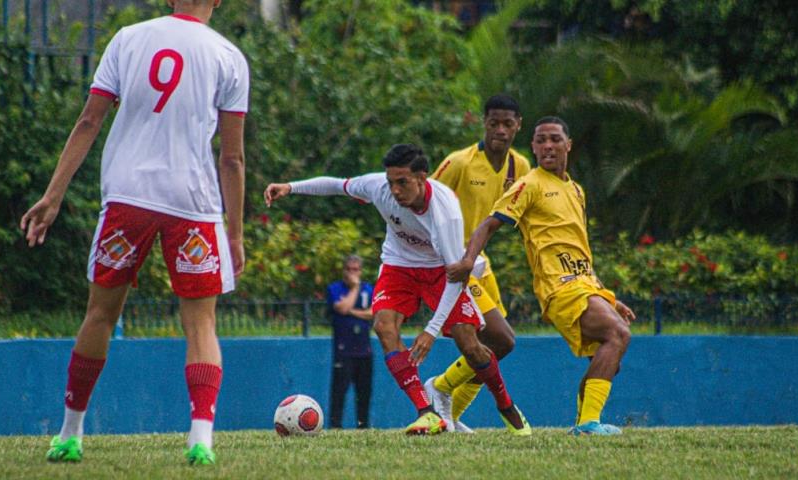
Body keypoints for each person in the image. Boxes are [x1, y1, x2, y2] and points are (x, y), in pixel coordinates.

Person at [20, 0, 248, 465]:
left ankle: (69, 434)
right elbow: (232, 158)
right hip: (192, 202)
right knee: (201, 323)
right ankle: (200, 440)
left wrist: (53, 195)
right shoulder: (228, 56)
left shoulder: (128, 39)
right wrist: (235, 234)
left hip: (128, 197)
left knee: (100, 314)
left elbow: (89, 121)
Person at [264, 144, 531, 436]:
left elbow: (456, 277)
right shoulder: (378, 187)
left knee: (469, 343)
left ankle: (506, 405)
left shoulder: (445, 214)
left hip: (440, 272)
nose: (395, 190)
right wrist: (290, 187)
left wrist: (431, 330)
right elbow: (337, 186)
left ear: (422, 178)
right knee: (384, 326)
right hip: (398, 266)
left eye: (402, 182)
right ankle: (426, 413)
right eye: (391, 181)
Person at [447, 117, 635, 436]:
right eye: (541, 140)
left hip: (585, 285)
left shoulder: (575, 190)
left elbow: (580, 249)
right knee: (617, 334)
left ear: (568, 145)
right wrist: (467, 261)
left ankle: (585, 422)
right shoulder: (529, 184)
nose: (548, 146)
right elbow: (488, 224)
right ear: (533, 147)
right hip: (559, 287)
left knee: (608, 356)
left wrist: (608, 298)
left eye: (555, 139)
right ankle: (588, 424)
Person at [423, 94, 531, 433]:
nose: (500, 130)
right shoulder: (460, 162)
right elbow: (423, 202)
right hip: (455, 266)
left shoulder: (520, 167)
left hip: (482, 265)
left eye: (507, 123)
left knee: (496, 346)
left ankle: (450, 415)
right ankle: (440, 387)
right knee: (502, 339)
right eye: (494, 122)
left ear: (518, 126)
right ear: (484, 122)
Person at [327, 255, 375, 429]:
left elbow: (373, 312)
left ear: (360, 271)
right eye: (348, 269)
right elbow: (341, 308)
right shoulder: (335, 288)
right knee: (339, 391)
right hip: (343, 350)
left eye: (355, 270)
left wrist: (352, 311)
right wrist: (354, 288)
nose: (351, 273)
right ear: (343, 271)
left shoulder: (368, 289)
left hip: (364, 350)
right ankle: (335, 426)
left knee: (364, 392)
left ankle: (363, 426)